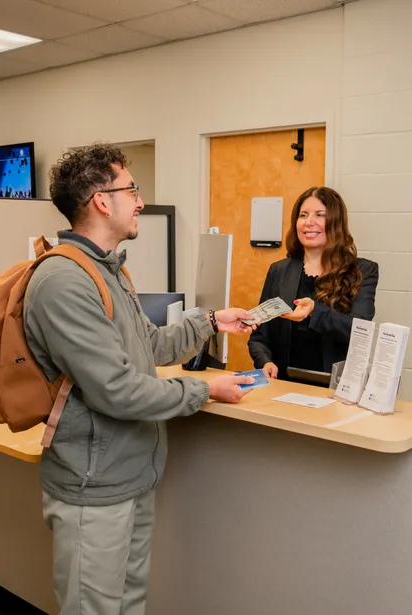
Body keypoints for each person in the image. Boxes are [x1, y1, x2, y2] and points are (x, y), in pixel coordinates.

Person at [23, 143, 255, 615]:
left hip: (129, 477)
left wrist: (211, 322)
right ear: (102, 201)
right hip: (94, 487)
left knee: (128, 603)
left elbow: (151, 346)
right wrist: (206, 389)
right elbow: (117, 390)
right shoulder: (65, 282)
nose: (141, 202)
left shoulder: (110, 271)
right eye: (132, 189)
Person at [248, 186, 378, 381]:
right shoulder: (279, 270)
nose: (309, 222)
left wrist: (313, 311)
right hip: (284, 385)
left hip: (335, 389)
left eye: (320, 215)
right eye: (303, 215)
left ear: (336, 222)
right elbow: (259, 335)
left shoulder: (362, 271)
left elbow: (359, 330)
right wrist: (265, 361)